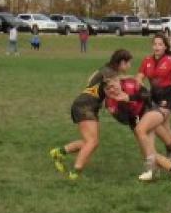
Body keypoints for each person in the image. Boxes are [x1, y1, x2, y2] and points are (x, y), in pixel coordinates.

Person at [51, 50, 135, 180]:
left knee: (89, 141)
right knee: (92, 141)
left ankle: (59, 152)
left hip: (83, 103)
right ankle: (75, 174)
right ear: (122, 62)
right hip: (86, 106)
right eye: (129, 63)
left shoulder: (105, 69)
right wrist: (133, 100)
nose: (130, 66)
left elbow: (90, 79)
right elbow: (116, 93)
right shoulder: (111, 75)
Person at [114, 75, 171, 184]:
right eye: (108, 88)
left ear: (119, 81)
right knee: (148, 152)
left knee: (149, 151)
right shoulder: (110, 101)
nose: (112, 89)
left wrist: (129, 98)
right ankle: (155, 171)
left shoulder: (130, 85)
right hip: (136, 120)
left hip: (149, 114)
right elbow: (123, 118)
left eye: (114, 85)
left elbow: (145, 95)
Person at [137, 34, 171, 164]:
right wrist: (139, 81)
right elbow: (139, 75)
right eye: (155, 44)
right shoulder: (147, 60)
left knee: (155, 126)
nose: (157, 47)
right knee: (165, 128)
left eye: (160, 44)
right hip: (154, 95)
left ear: (165, 46)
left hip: (168, 96)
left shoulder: (170, 60)